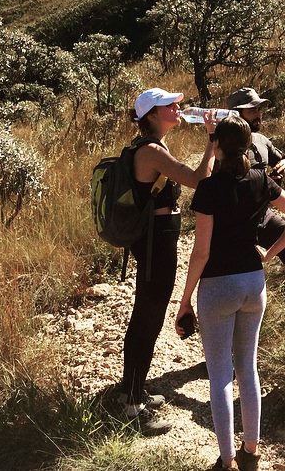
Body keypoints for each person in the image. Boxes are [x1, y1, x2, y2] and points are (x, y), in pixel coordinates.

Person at [175, 115, 285, 471]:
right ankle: (251, 451)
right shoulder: (262, 180)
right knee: (247, 368)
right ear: (249, 146)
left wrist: (185, 301)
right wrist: (270, 253)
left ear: (217, 146)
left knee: (220, 375)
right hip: (253, 282)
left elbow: (201, 253)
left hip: (218, 286)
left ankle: (227, 460)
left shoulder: (209, 189)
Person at [119, 87, 218, 432]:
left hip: (156, 240)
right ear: (151, 115)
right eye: (168, 105)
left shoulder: (152, 145)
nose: (177, 107)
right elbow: (198, 180)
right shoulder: (150, 151)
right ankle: (133, 406)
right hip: (154, 243)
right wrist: (212, 141)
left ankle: (131, 390)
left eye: (176, 103)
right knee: (148, 317)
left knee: (147, 313)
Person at [227, 87, 285, 180]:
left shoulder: (261, 140)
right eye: (252, 110)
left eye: (259, 109)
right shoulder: (223, 145)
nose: (258, 115)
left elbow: (284, 160)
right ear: (236, 114)